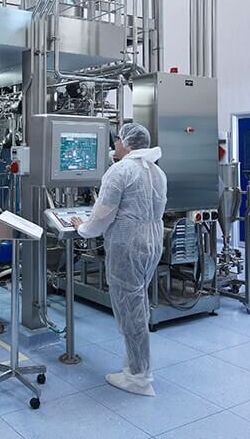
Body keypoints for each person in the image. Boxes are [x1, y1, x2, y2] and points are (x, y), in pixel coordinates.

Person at [71, 122, 167, 397]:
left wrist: (82, 228)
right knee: (138, 303)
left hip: (128, 244)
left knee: (130, 309)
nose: (114, 144)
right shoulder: (157, 171)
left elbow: (103, 214)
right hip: (152, 241)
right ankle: (135, 366)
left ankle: (138, 377)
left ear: (127, 142)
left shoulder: (120, 170)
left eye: (117, 141)